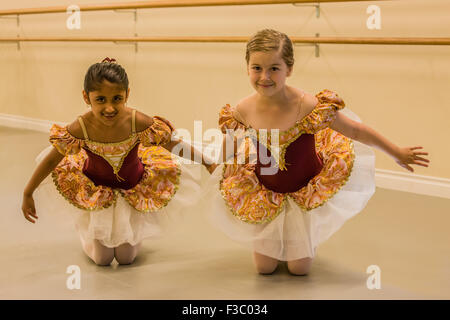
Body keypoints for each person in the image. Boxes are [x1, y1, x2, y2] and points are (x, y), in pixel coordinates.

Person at [206, 29, 429, 275]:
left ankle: (302, 238)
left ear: (289, 69)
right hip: (266, 188)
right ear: (247, 67)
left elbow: (355, 130)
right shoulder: (243, 109)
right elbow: (230, 142)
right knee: (264, 269)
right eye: (257, 68)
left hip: (305, 189)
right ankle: (273, 236)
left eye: (274, 69)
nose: (265, 76)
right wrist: (219, 164)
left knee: (299, 269)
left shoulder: (308, 105)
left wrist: (395, 151)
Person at [22, 57, 210, 266]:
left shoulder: (137, 121)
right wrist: (28, 192)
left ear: (127, 94)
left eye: (117, 99)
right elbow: (51, 161)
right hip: (98, 191)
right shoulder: (81, 127)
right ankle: (87, 234)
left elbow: (173, 144)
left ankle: (133, 235)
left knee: (126, 258)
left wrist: (207, 162)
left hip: (132, 186)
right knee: (102, 259)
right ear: (86, 97)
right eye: (100, 99)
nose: (109, 108)